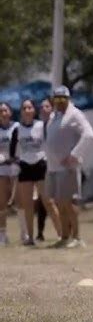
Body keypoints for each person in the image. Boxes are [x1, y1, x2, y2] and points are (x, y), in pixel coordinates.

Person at [45, 86, 93, 248]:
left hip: (68, 168)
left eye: (62, 99)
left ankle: (77, 237)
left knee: (69, 202)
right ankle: (65, 236)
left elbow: (89, 134)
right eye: (56, 99)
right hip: (53, 168)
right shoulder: (54, 116)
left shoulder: (75, 114)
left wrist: (74, 154)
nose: (59, 102)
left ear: (68, 99)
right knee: (59, 203)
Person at [10, 99, 61, 246]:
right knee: (27, 205)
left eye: (29, 107)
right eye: (24, 108)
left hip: (40, 165)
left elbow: (50, 143)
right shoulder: (17, 128)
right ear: (21, 111)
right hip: (25, 167)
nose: (27, 110)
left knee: (48, 201)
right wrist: (17, 161)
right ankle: (30, 238)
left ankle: (61, 234)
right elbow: (13, 151)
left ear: (34, 110)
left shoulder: (42, 125)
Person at [0, 102, 19, 246]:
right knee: (2, 203)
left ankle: (25, 234)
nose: (3, 113)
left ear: (10, 112)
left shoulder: (16, 127)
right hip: (2, 168)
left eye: (5, 110)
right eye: (1, 111)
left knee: (20, 202)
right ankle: (3, 234)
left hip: (15, 168)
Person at [36, 97, 55, 241]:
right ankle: (40, 231)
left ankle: (67, 231)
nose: (44, 109)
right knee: (43, 200)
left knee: (60, 201)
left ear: (52, 108)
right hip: (43, 166)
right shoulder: (39, 125)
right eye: (42, 107)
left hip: (57, 166)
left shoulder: (56, 122)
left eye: (46, 106)